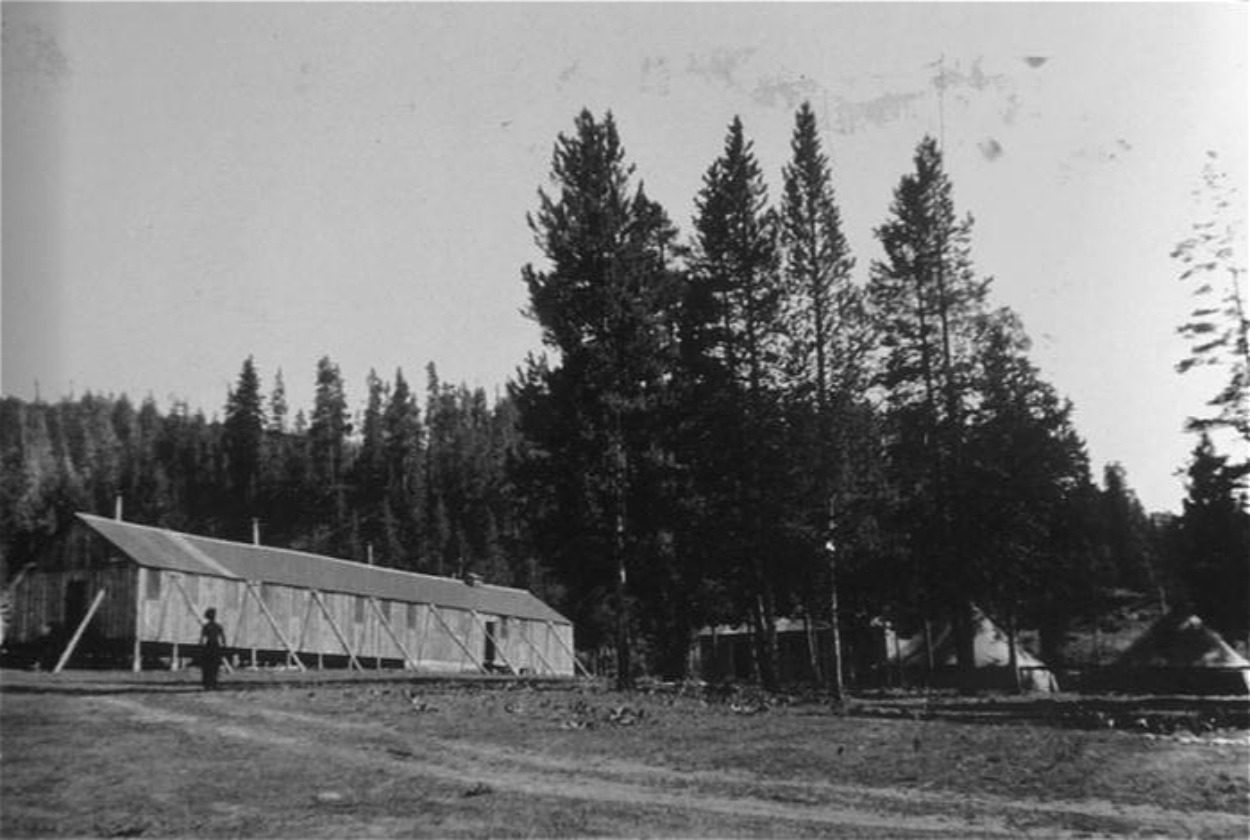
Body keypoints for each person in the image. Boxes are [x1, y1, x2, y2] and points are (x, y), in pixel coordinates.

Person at [199, 608, 227, 690]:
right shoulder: (218, 626)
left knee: (207, 666)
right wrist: (224, 646)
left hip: (208, 646)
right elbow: (223, 638)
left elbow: (202, 639)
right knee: (215, 666)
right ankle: (213, 682)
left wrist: (201, 647)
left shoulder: (206, 626)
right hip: (216, 646)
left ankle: (207, 684)